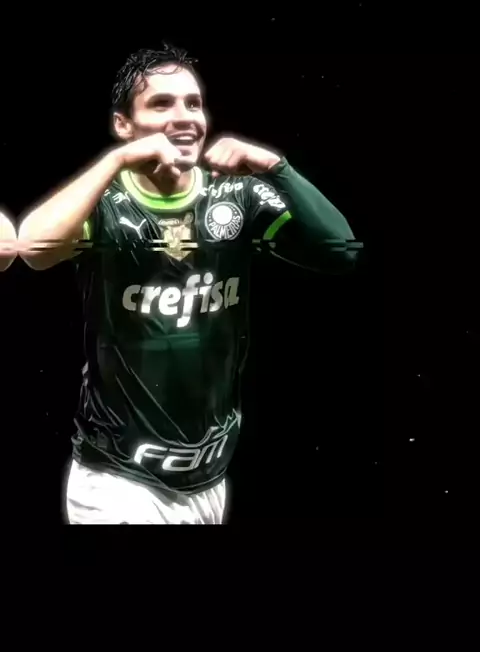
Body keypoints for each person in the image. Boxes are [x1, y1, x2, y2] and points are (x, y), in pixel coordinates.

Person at [18, 44, 360, 524]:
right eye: (161, 104)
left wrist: (275, 167)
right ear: (123, 124)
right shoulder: (105, 203)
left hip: (209, 480)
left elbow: (342, 252)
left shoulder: (236, 196)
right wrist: (117, 162)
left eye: (193, 103)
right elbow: (32, 250)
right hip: (118, 481)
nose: (184, 117)